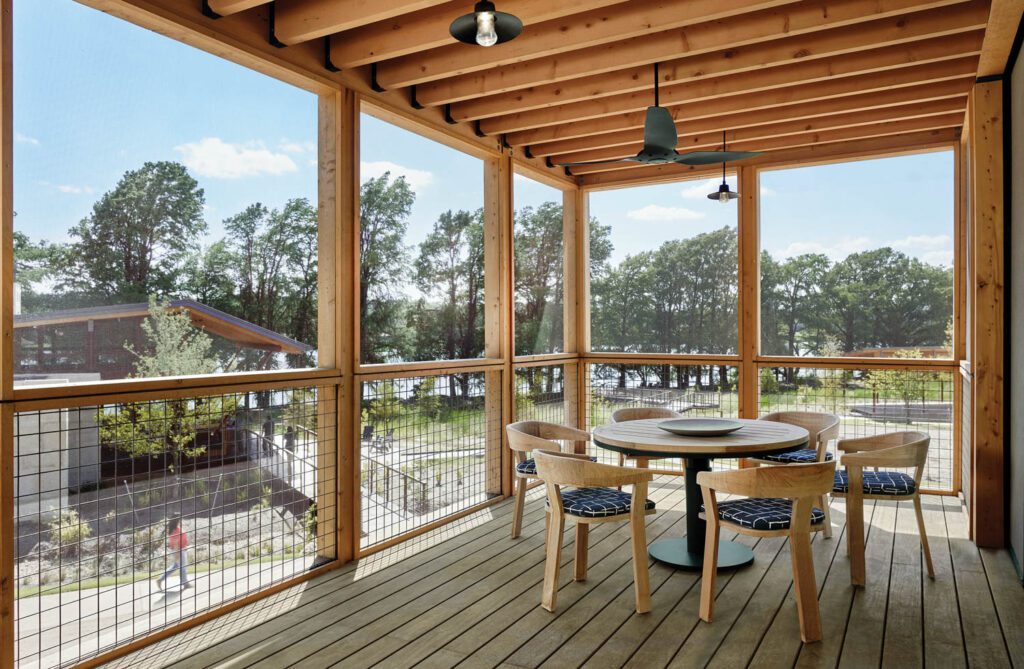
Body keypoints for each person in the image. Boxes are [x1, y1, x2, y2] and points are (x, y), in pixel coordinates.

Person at [156, 516, 190, 591]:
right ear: (177, 521)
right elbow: (175, 544)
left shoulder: (176, 529)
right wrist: (177, 555)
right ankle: (185, 583)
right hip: (179, 551)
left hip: (181, 550)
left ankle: (160, 580)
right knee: (182, 567)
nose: (181, 521)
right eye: (180, 520)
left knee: (176, 567)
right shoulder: (175, 531)